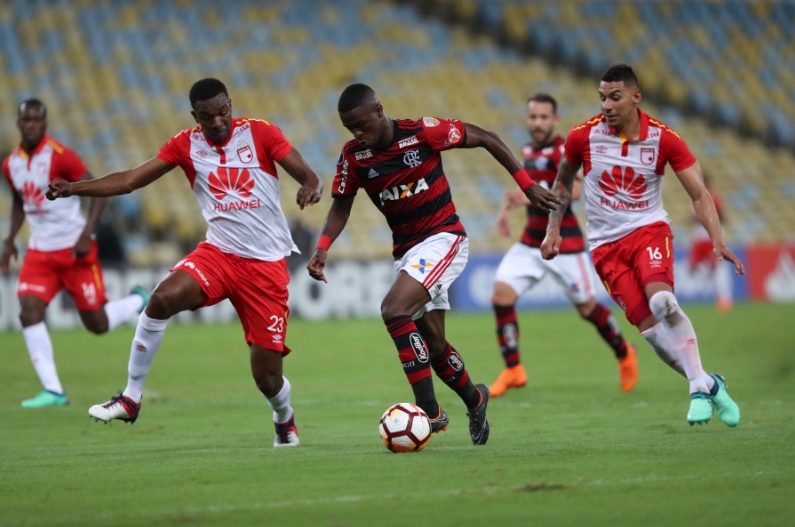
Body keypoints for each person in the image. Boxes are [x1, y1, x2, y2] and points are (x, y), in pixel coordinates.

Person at [47, 78, 323, 447]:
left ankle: (283, 415)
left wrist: (309, 186)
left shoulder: (260, 133)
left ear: (230, 105)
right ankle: (130, 397)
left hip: (265, 267)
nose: (219, 121)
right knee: (161, 299)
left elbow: (309, 175)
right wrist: (73, 188)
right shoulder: (184, 144)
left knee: (267, 380)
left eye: (223, 111)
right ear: (195, 117)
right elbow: (130, 180)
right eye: (208, 117)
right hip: (219, 254)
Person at [307, 84, 561, 445]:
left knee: (394, 310)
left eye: (361, 125)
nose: (357, 135)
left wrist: (528, 184)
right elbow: (341, 205)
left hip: (444, 238)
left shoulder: (422, 132)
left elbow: (487, 138)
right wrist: (323, 247)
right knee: (435, 345)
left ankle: (428, 409)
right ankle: (476, 399)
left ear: (379, 111)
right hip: (407, 252)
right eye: (350, 129)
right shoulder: (353, 157)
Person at [541, 64, 744, 426]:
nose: (606, 105)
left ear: (636, 97)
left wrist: (717, 240)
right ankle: (708, 383)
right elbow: (561, 183)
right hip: (605, 246)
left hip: (648, 230)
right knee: (651, 334)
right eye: (602, 97)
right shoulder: (581, 137)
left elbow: (698, 193)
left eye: (614, 97)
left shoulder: (664, 139)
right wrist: (552, 230)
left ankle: (698, 390)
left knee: (663, 301)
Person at [1, 98, 148, 408]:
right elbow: (19, 202)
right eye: (26, 121)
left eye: (37, 121)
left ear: (44, 124)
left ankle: (138, 300)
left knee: (96, 325)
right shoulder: (10, 163)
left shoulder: (61, 156)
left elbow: (97, 192)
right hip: (40, 253)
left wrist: (85, 235)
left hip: (75, 250)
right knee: (29, 312)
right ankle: (53, 391)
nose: (31, 126)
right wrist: (10, 239)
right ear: (18, 124)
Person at [490, 93, 638, 397]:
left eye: (544, 117)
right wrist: (508, 208)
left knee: (587, 309)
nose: (538, 123)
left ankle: (625, 351)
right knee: (501, 295)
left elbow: (577, 191)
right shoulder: (527, 150)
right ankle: (513, 369)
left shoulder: (563, 150)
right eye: (533, 117)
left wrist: (534, 192)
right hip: (531, 240)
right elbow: (527, 190)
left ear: (555, 121)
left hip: (565, 244)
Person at [688, 174, 733, 312]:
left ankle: (724, 298)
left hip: (712, 236)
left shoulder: (711, 197)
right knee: (699, 267)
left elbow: (721, 216)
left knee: (718, 268)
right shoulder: (696, 198)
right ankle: (718, 296)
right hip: (703, 236)